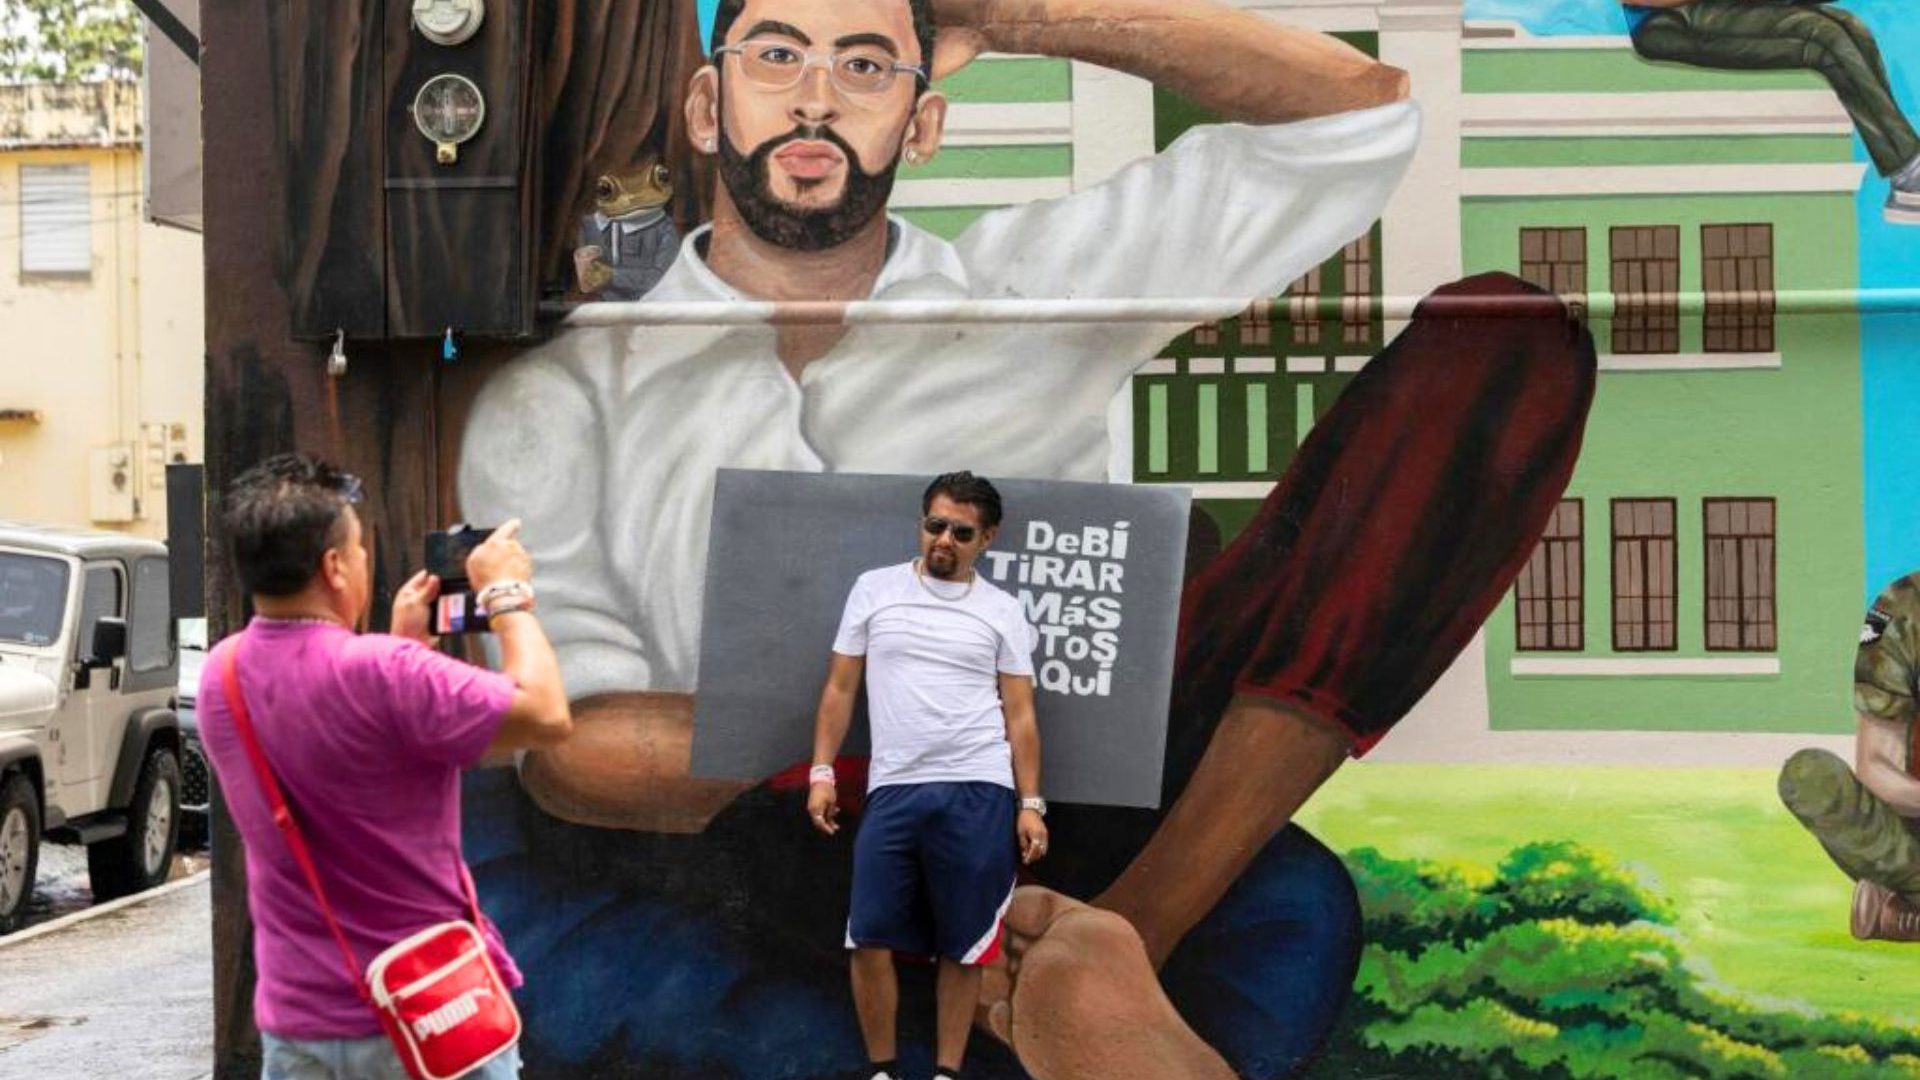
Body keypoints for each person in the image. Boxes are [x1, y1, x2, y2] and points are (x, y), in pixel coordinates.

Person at [456, 0, 1596, 1075]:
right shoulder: (566, 394)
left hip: (1068, 789)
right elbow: (572, 750)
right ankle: (1073, 984)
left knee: (1505, 347)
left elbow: (1357, 114)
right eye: (777, 55)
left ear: (923, 121)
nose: (815, 97)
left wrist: (1015, 16)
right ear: (710, 108)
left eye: (865, 64)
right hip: (791, 825)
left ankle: (1128, 937)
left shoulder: (1031, 288)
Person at [197, 454, 573, 1079]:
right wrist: (505, 595)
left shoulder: (221, 673)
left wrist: (404, 647)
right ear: (334, 566)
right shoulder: (385, 673)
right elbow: (546, 712)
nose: (365, 561)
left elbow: (341, 742)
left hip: (299, 1027)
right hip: (425, 1015)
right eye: (359, 549)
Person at [808, 473, 1048, 1080]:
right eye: (934, 525)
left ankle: (946, 1073)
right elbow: (840, 689)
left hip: (980, 786)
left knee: (964, 943)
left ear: (986, 539)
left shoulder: (1002, 611)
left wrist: (1031, 804)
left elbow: (1021, 714)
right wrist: (822, 772)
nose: (943, 540)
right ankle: (882, 1071)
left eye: (961, 532)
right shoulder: (875, 589)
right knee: (867, 936)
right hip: (894, 786)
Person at [1623, 0, 1920, 224]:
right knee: (1825, 36)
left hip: (1712, 9)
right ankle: (1909, 171)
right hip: (1664, 21)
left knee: (1851, 28)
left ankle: (1906, 173)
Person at [1779, 572, 1920, 942]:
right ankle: (1905, 888)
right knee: (1810, 776)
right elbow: (1877, 767)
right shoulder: (1895, 607)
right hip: (1913, 824)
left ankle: (1899, 913)